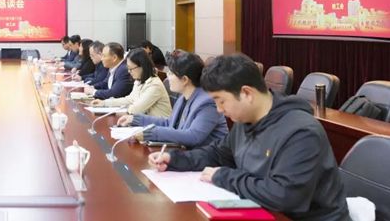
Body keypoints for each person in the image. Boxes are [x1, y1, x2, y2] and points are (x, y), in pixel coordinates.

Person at [149, 54, 349, 221]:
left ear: (246, 93)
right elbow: (218, 154)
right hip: (262, 211)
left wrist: (223, 177)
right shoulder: (245, 121)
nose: (219, 110)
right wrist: (174, 159)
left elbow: (284, 195)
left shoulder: (301, 132)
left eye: (221, 101)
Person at [118, 50, 228, 148]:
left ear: (185, 80)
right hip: (187, 155)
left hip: (208, 161)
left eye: (171, 73)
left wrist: (151, 133)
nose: (167, 77)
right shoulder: (183, 97)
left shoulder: (207, 102)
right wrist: (136, 120)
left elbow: (193, 136)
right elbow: (170, 123)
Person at [93, 48, 171, 117]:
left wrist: (112, 112)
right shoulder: (139, 81)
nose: (129, 71)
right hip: (145, 123)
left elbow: (136, 109)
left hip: (158, 126)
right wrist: (104, 103)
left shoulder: (154, 85)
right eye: (128, 68)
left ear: (142, 66)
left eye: (131, 69)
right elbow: (130, 99)